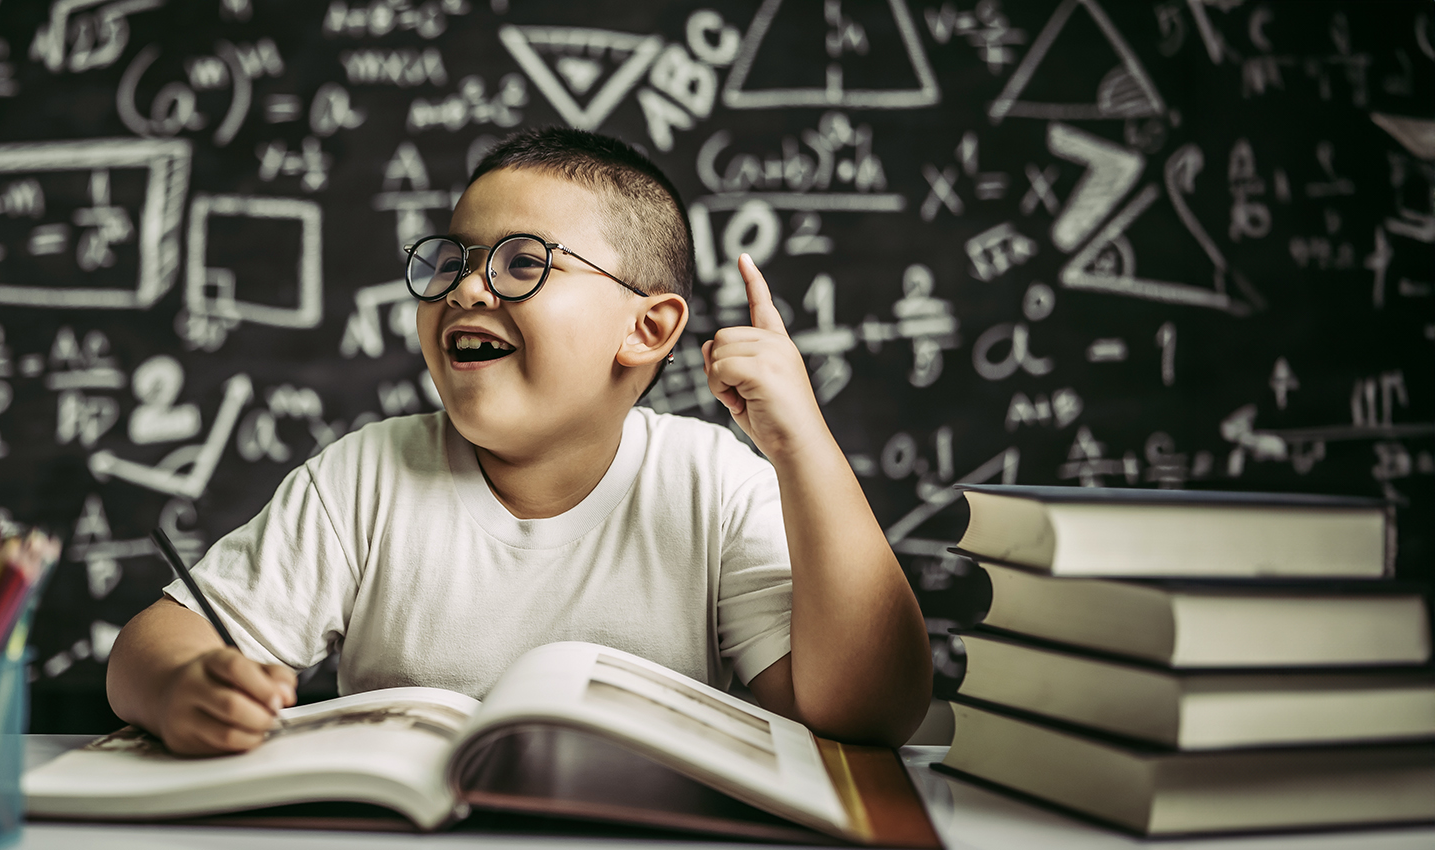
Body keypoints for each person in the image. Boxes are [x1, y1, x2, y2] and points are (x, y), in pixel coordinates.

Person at [106, 128, 930, 755]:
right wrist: (185, 684)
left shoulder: (711, 481)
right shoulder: (365, 477)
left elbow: (870, 709)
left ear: (647, 328)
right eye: (453, 260)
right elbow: (146, 651)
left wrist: (804, 446)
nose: (467, 286)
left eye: (522, 264)